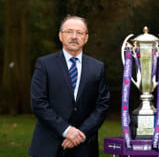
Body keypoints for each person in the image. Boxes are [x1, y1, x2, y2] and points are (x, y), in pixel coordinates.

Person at [28, 15, 110, 157]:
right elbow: (38, 103)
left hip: (84, 147)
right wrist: (66, 130)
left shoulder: (98, 68)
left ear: (86, 38)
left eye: (79, 33)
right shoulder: (44, 64)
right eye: (69, 32)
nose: (74, 36)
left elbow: (102, 105)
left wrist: (81, 134)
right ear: (61, 36)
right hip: (49, 147)